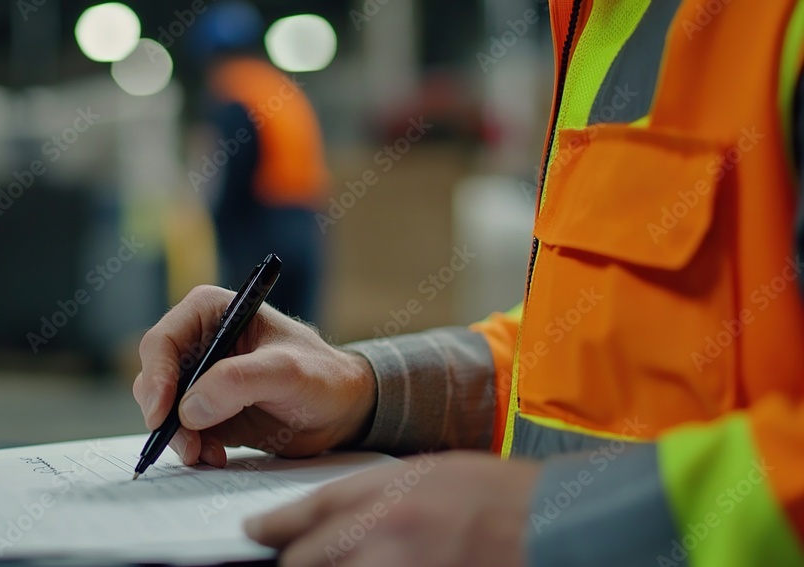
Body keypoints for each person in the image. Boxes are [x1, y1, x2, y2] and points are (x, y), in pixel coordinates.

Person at [135, 1, 804, 565]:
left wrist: (547, 523)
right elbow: (599, 350)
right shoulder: (596, 18)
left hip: (266, 223)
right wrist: (370, 388)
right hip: (300, 219)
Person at [190, 1, 328, 322]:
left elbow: (232, 170)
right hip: (306, 222)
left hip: (261, 225)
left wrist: (219, 225)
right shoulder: (279, 86)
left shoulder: (233, 92)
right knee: (299, 331)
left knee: (252, 333)